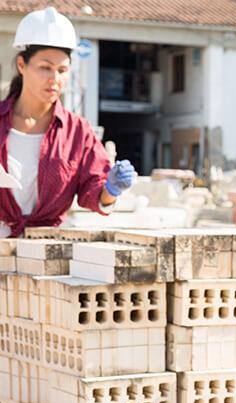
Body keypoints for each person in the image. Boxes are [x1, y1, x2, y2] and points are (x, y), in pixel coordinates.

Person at [0, 7, 136, 238]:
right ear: (22, 65)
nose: (54, 79)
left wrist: (111, 190)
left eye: (62, 70)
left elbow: (93, 192)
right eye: (45, 68)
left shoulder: (78, 132)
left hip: (47, 249)